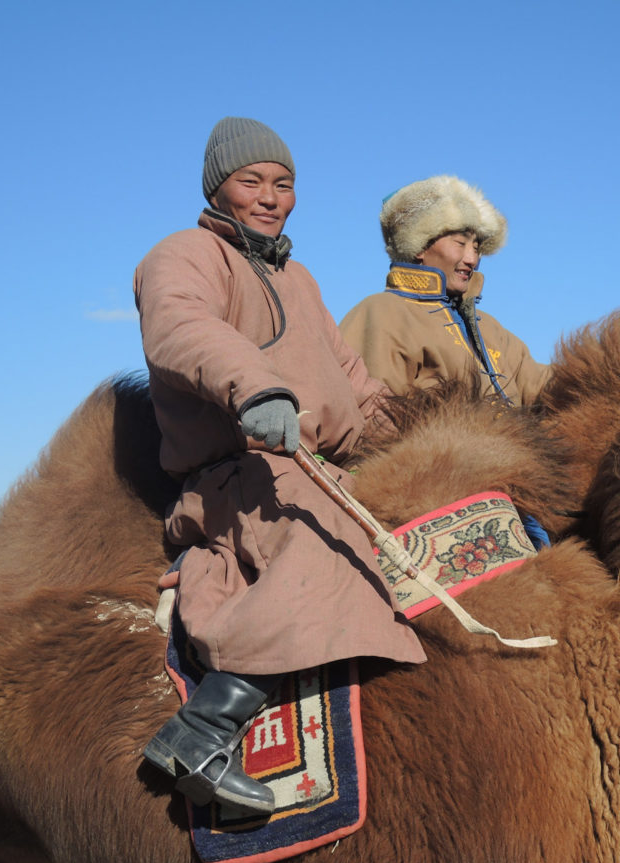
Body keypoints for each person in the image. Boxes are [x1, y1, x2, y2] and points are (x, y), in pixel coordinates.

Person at [134, 117, 425, 815]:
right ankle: (204, 729)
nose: (269, 197)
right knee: (330, 547)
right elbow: (180, 325)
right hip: (241, 474)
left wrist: (423, 429)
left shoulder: (299, 278)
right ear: (218, 188)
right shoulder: (185, 254)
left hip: (316, 468)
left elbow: (353, 382)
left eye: (284, 184)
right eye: (252, 181)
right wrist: (255, 389)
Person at [339, 175, 550, 407]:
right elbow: (372, 412)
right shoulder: (381, 314)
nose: (472, 259)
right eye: (460, 243)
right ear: (419, 246)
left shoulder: (490, 328)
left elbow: (541, 386)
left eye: (476, 248)